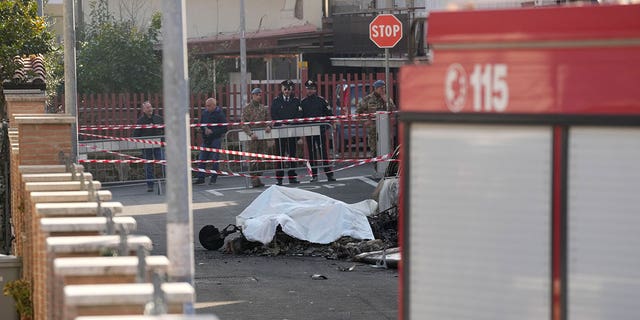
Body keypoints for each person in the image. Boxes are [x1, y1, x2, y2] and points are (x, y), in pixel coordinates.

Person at [301, 80, 336, 182]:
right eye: (308, 89)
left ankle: (329, 175)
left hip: (320, 130)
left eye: (312, 89)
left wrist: (327, 126)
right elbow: (300, 117)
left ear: (315, 90)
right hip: (309, 131)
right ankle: (314, 175)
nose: (310, 91)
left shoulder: (321, 101)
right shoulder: (303, 102)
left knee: (323, 153)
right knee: (312, 154)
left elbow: (329, 113)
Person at [271, 79, 302, 185]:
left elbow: (299, 115)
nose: (287, 91)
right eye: (285, 89)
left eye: (289, 89)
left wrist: (292, 124)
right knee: (280, 154)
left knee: (292, 154)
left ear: (291, 90)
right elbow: (273, 114)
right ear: (282, 89)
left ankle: (292, 177)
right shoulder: (276, 101)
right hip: (280, 132)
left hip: (292, 131)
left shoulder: (296, 101)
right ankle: (279, 178)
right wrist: (281, 124)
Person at [356, 80, 396, 158]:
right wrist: (365, 121)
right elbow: (358, 112)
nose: (383, 90)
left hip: (385, 129)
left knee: (387, 149)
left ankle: (386, 168)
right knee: (374, 150)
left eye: (384, 88)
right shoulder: (368, 99)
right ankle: (376, 167)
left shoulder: (386, 98)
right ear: (376, 88)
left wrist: (386, 100)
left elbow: (392, 109)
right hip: (373, 130)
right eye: (381, 88)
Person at [242, 87, 272, 187]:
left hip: (262, 138)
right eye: (258, 95)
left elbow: (269, 119)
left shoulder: (263, 108)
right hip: (252, 139)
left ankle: (258, 177)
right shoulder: (247, 108)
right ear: (253, 95)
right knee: (253, 160)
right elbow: (244, 123)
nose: (259, 97)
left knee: (262, 160)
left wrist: (268, 126)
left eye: (260, 95)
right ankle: (254, 180)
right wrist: (250, 133)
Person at [194, 98, 228, 185]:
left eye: (209, 106)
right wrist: (203, 128)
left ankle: (213, 178)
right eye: (206, 106)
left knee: (214, 159)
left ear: (214, 105)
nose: (207, 107)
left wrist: (213, 131)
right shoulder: (205, 113)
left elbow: (224, 128)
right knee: (202, 159)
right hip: (206, 139)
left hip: (215, 139)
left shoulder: (220, 114)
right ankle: (200, 177)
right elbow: (202, 123)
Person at [132, 101, 164, 192]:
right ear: (144, 110)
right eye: (147, 108)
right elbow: (136, 134)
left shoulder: (159, 118)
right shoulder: (141, 121)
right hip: (146, 146)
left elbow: (165, 130)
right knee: (148, 165)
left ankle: (167, 181)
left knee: (163, 162)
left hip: (158, 144)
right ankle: (150, 185)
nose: (150, 109)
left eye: (150, 107)